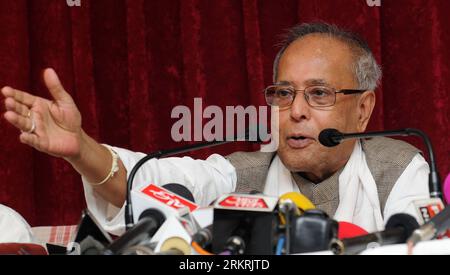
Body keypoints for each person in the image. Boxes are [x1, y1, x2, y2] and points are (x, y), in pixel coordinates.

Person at [1, 22, 429, 235]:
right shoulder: (247, 172)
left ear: (363, 109)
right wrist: (80, 149)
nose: (295, 111)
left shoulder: (397, 166)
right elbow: (149, 183)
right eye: (283, 93)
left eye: (318, 94)